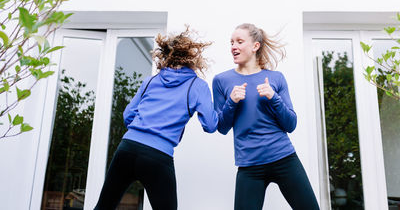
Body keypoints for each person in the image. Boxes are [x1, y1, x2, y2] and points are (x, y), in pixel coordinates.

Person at [95, 28, 219, 210]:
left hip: (127, 148)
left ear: (166, 55)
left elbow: (128, 115)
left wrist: (143, 131)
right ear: (192, 58)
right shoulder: (197, 86)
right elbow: (210, 125)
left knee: (103, 207)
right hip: (157, 156)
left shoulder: (151, 80)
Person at [212, 23, 320, 210]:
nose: (233, 47)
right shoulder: (222, 81)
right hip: (249, 165)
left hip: (284, 158)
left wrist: (273, 97)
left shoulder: (276, 78)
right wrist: (231, 101)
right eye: (231, 42)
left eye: (239, 42)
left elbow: (291, 124)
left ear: (255, 46)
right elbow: (221, 127)